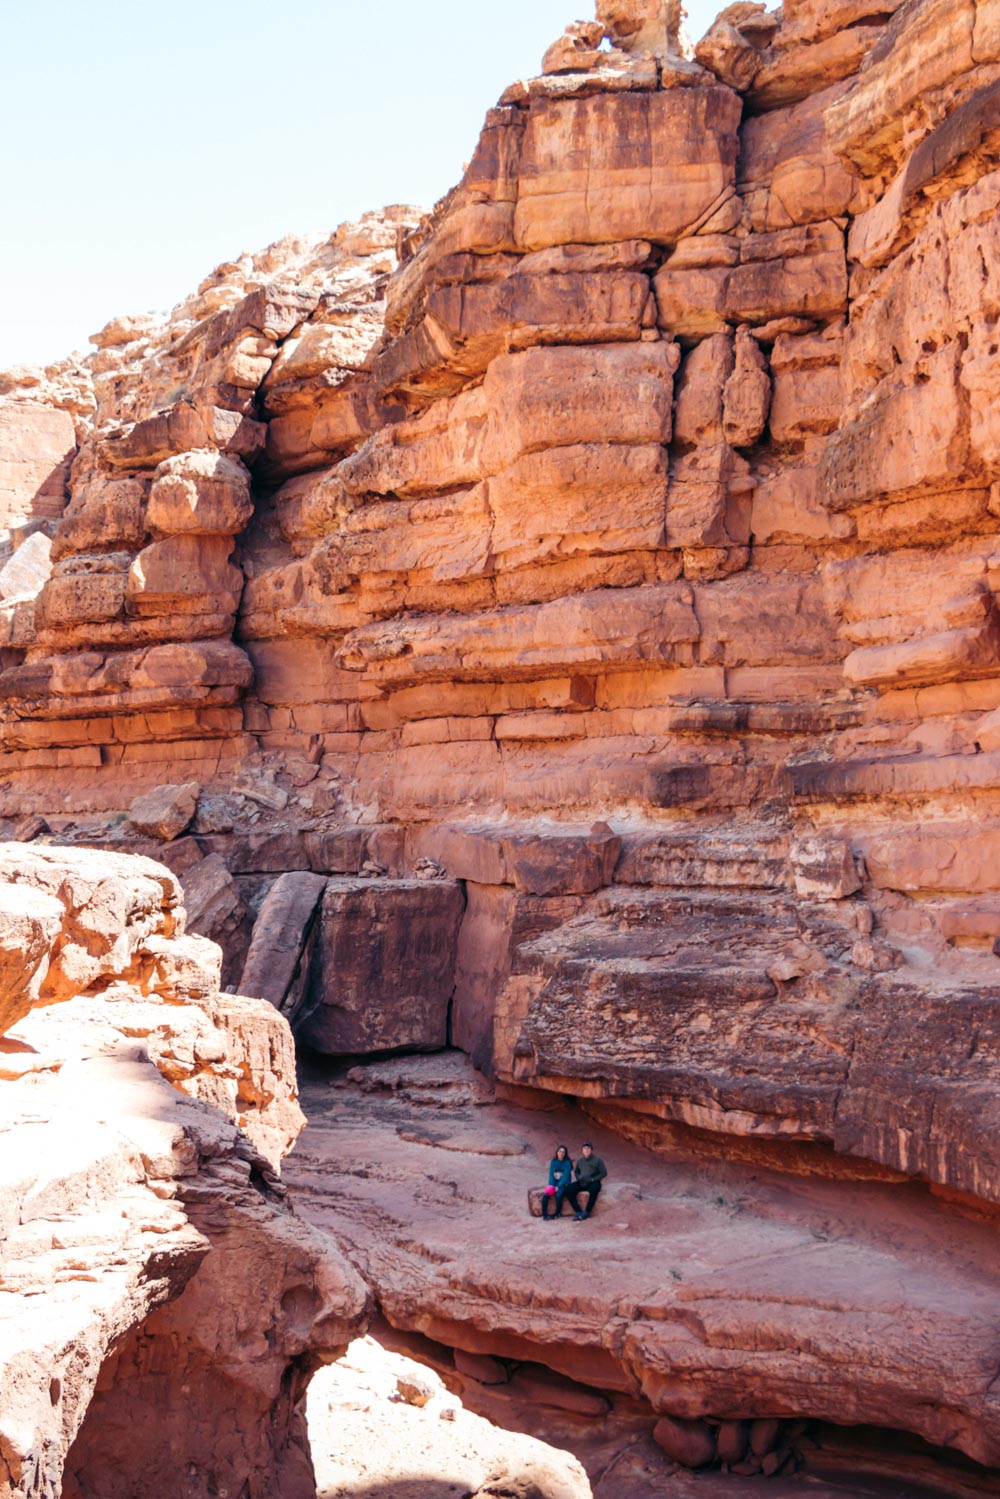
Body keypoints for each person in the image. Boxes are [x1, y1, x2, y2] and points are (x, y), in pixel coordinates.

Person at [565, 1142, 608, 1220]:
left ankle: (587, 1212)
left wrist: (593, 1179)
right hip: (582, 1182)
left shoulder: (598, 1160)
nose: (586, 1150)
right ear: (582, 1151)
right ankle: (578, 1211)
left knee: (594, 1189)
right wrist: (578, 1177)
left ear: (591, 1150)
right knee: (569, 1189)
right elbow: (576, 1171)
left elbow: (604, 1173)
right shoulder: (580, 1160)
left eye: (588, 1148)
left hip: (593, 1182)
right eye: (584, 1149)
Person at [542, 1144, 573, 1220]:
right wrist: (552, 1185)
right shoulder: (553, 1162)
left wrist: (558, 1187)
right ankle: (545, 1215)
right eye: (560, 1151)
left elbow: (565, 1176)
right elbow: (551, 1174)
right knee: (545, 1195)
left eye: (563, 1152)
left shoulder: (568, 1163)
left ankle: (557, 1213)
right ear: (557, 1152)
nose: (561, 1153)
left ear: (565, 1154)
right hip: (554, 1184)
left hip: (564, 1184)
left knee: (558, 1195)